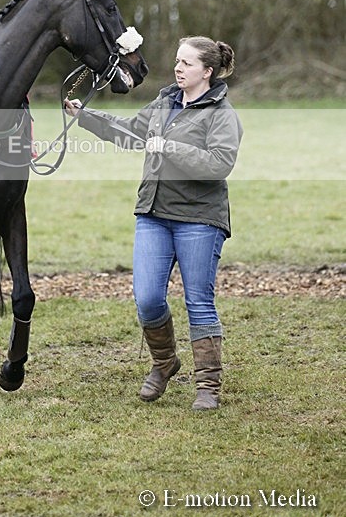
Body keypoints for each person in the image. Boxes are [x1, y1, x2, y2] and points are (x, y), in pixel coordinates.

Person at [65, 36, 243, 410]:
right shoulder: (164, 103)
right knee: (147, 299)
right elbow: (132, 132)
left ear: (207, 71)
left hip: (199, 219)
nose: (178, 68)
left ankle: (207, 386)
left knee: (199, 301)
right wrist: (85, 116)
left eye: (187, 63)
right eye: (178, 61)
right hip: (153, 215)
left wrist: (169, 147)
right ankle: (164, 363)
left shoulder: (221, 113)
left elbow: (219, 164)